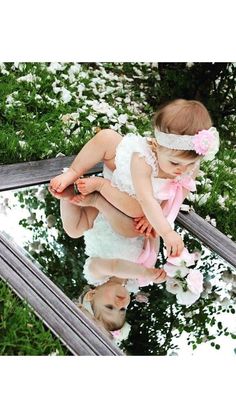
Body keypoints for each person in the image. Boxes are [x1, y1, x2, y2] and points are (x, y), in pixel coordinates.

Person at [50, 99, 219, 258]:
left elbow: (177, 195)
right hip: (129, 179)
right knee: (106, 137)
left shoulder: (189, 167)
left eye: (190, 164)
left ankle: (79, 196)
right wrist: (167, 233)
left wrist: (157, 219)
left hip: (129, 201)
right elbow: (146, 199)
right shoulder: (142, 159)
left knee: (78, 229)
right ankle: (74, 174)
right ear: (156, 145)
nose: (182, 170)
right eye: (175, 162)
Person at [49, 186, 167, 333]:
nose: (119, 304)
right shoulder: (135, 281)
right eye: (122, 309)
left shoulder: (96, 273)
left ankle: (67, 189)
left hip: (101, 211)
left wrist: (146, 273)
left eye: (110, 307)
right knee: (134, 229)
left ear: (92, 294)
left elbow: (115, 265)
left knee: (74, 230)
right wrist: (153, 225)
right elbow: (152, 242)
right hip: (131, 213)